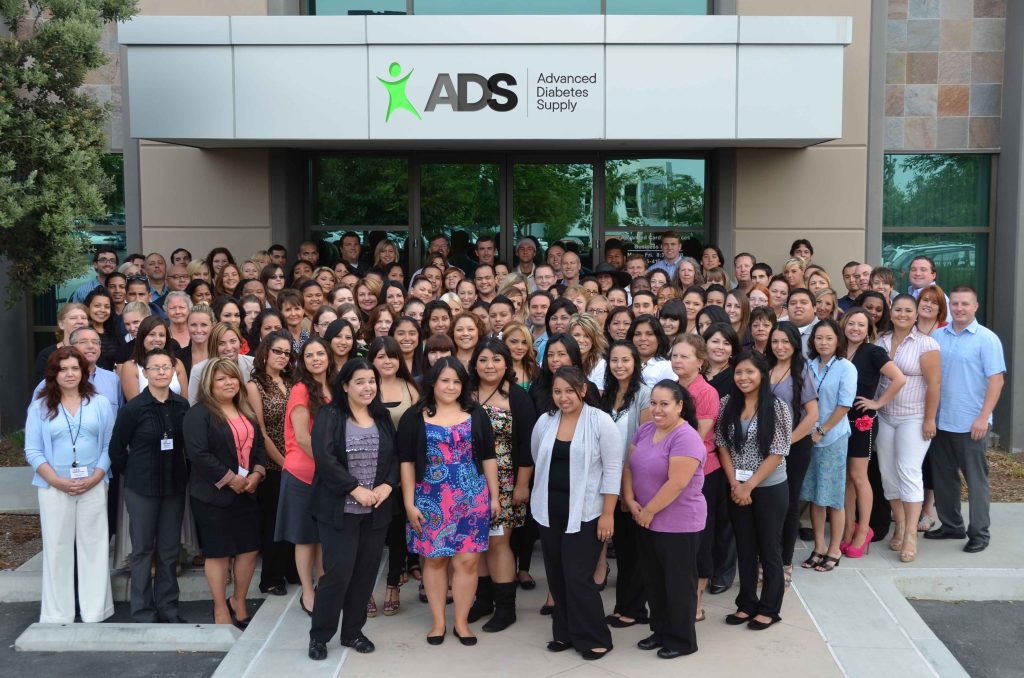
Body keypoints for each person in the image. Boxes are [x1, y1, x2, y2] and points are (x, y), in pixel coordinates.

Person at [398, 358, 500, 646]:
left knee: (468, 562)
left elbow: (489, 457)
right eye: (445, 380)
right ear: (433, 382)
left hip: (472, 499)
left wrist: (494, 497)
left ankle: (461, 623)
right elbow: (406, 463)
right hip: (429, 499)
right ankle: (438, 622)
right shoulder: (414, 416)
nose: (451, 387)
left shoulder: (476, 413)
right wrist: (409, 503)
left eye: (457, 381)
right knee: (435, 559)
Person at [307, 359, 400, 660]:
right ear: (345, 386)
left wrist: (388, 485)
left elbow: (395, 456)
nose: (367, 387)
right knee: (337, 575)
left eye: (371, 381)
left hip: (376, 511)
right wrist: (353, 488)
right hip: (340, 510)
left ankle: (352, 632)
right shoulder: (330, 415)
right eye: (359, 382)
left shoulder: (381, 416)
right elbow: (324, 458)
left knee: (365, 575)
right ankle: (320, 636)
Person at [530, 366, 622, 660]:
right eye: (557, 391)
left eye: (570, 390)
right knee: (557, 575)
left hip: (586, 512)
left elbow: (613, 469)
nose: (563, 397)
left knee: (578, 576)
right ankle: (565, 632)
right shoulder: (546, 421)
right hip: (549, 511)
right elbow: (537, 456)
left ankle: (595, 637)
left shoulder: (600, 421)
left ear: (583, 390)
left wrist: (608, 513)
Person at [25, 347, 115, 624]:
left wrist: (97, 476)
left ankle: (95, 612)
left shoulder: (99, 403)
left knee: (94, 547)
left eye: (75, 368)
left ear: (83, 371)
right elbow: (33, 450)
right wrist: (56, 481)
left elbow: (109, 445)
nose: (70, 374)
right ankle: (57, 614)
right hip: (53, 487)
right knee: (57, 548)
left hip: (94, 483)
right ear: (54, 373)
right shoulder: (40, 406)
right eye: (63, 369)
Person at [623, 379, 705, 657]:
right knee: (654, 580)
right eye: (653, 403)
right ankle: (660, 631)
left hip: (678, 523)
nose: (657, 409)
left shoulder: (686, 437)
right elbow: (629, 466)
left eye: (664, 404)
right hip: (645, 519)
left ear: (679, 406)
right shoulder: (645, 429)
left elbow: (677, 483)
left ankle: (681, 640)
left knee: (678, 583)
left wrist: (648, 511)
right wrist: (630, 500)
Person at [183, 358, 266, 628]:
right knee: (218, 553)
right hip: (213, 496)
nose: (229, 382)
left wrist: (256, 474)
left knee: (249, 550)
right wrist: (230, 479)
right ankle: (220, 608)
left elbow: (259, 447)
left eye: (232, 377)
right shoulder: (198, 414)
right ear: (209, 384)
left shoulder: (245, 410)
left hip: (247, 492)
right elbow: (198, 453)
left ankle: (238, 601)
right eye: (221, 379)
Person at [108, 348, 189, 623]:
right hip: (141, 489)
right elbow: (117, 449)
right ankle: (142, 610)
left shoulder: (182, 406)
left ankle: (168, 608)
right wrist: (133, 472)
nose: (161, 372)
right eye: (155, 367)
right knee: (143, 550)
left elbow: (187, 446)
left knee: (168, 550)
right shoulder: (133, 409)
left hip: (174, 487)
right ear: (145, 373)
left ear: (173, 371)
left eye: (166, 367)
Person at [715, 352, 791, 629]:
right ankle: (746, 603)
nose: (743, 377)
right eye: (739, 372)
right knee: (745, 547)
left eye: (750, 372)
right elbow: (721, 443)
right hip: (737, 487)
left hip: (769, 487)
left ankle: (769, 608)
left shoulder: (777, 406)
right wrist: (735, 484)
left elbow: (778, 450)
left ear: (762, 375)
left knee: (769, 548)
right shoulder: (727, 403)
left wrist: (749, 485)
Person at [926, 285, 1005, 553]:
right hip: (941, 420)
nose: (959, 308)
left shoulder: (987, 339)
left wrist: (983, 418)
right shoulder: (938, 336)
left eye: (965, 304)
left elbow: (996, 380)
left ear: (975, 307)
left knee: (976, 481)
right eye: (955, 304)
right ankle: (951, 525)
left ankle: (980, 533)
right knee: (944, 478)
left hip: (971, 423)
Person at [466, 339, 537, 632]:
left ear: (506, 363)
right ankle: (483, 600)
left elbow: (528, 444)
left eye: (496, 359)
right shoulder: (464, 393)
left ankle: (506, 608)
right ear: (474, 364)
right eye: (483, 360)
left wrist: (522, 484)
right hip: (469, 480)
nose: (489, 366)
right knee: (478, 542)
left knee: (498, 543)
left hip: (506, 482)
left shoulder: (517, 396)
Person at [875, 295, 940, 563]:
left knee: (909, 471)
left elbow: (934, 384)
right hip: (884, 416)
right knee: (888, 473)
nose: (902, 314)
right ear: (891, 313)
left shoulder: (926, 344)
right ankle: (900, 525)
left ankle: (911, 534)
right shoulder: (880, 341)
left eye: (908, 311)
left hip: (914, 417)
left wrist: (929, 419)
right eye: (898, 310)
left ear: (916, 315)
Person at [839, 308, 906, 558]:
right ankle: (848, 529)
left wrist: (877, 403)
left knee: (859, 477)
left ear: (869, 329)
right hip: (839, 421)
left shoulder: (874, 352)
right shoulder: (838, 350)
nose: (855, 328)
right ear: (844, 325)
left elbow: (899, 379)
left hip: (862, 421)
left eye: (861, 325)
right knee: (846, 478)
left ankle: (863, 530)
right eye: (851, 323)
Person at [277, 337, 335, 617]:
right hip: (302, 473)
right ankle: (308, 592)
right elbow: (302, 437)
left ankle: (324, 586)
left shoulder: (334, 386)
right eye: (309, 355)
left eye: (320, 353)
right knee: (304, 538)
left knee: (322, 536)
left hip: (326, 474)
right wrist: (330, 466)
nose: (316, 359)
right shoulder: (300, 389)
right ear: (303, 361)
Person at [598, 340, 653, 627]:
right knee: (623, 547)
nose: (619, 365)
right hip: (610, 480)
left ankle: (635, 610)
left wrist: (626, 488)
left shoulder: (644, 395)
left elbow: (642, 443)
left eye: (625, 360)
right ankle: (623, 606)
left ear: (635, 363)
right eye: (614, 360)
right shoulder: (606, 395)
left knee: (636, 548)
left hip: (634, 481)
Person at [669, 334, 723, 617]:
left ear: (700, 361)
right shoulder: (671, 388)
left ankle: (697, 602)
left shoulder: (706, 392)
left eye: (684, 356)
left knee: (700, 537)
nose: (678, 361)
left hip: (701, 473)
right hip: (671, 470)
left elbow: (696, 437)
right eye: (674, 355)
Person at [368, 336, 421, 614]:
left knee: (399, 531)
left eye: (391, 356)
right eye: (380, 356)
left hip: (403, 469)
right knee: (369, 534)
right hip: (370, 470)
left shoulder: (410, 387)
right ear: (372, 360)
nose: (387, 361)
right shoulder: (366, 386)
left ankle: (392, 585)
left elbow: (418, 430)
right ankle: (365, 589)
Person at [801, 320, 857, 573]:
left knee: (833, 496)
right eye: (819, 338)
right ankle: (819, 546)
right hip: (809, 436)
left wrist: (822, 430)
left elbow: (844, 405)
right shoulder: (809, 365)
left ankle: (834, 549)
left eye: (829, 338)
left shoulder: (846, 367)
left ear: (838, 341)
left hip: (832, 438)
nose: (823, 343)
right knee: (816, 494)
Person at [245, 332, 297, 596]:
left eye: (287, 353)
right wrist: (284, 463)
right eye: (278, 351)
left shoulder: (291, 382)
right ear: (265, 351)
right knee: (274, 523)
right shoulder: (255, 386)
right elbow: (261, 432)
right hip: (273, 464)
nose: (282, 357)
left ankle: (291, 569)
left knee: (293, 519)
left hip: (296, 461)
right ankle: (271, 578)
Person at [768, 323, 819, 585]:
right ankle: (766, 559)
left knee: (788, 505)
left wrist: (786, 443)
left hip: (794, 447)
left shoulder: (802, 370)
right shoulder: (764, 368)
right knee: (767, 505)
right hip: (766, 447)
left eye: (785, 342)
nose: (780, 347)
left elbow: (812, 415)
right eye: (775, 341)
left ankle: (785, 562)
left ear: (795, 344)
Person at [119, 316, 189, 401]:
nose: (157, 339)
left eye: (161, 335)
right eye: (152, 334)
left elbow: (185, 401)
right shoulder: (130, 367)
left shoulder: (177, 363)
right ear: (142, 337)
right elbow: (134, 405)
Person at [188, 323, 254, 405]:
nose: (229, 348)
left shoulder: (252, 364)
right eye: (221, 343)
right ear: (213, 346)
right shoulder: (199, 371)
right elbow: (193, 405)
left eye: (233, 341)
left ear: (240, 342)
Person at [628, 315, 676, 386]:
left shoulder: (668, 367)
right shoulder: (625, 363)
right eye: (638, 334)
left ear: (659, 338)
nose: (643, 338)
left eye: (649, 334)